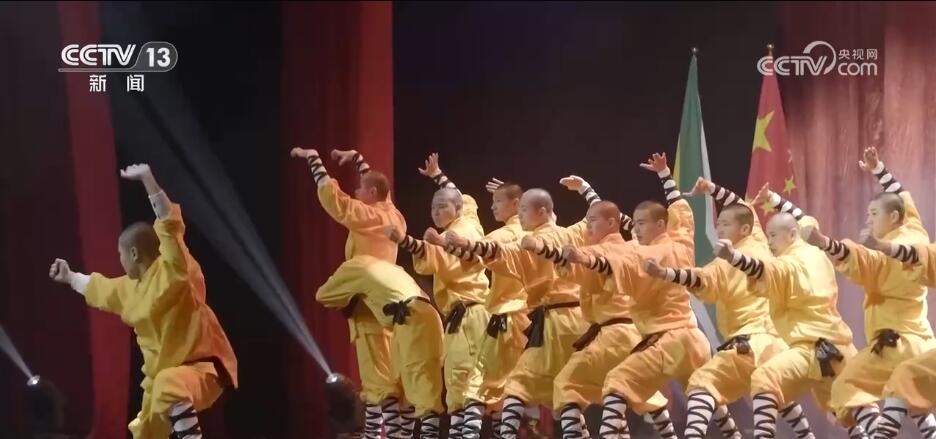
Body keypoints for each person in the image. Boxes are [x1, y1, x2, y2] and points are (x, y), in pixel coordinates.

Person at [49, 164, 237, 439]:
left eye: (121, 254)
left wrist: (148, 180)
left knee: (168, 384)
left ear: (134, 254)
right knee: (146, 430)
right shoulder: (130, 289)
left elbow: (170, 227)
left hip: (202, 368)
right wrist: (70, 277)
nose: (120, 260)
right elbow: (102, 289)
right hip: (161, 382)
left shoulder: (174, 271)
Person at [643, 177, 813, 439]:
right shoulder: (759, 240)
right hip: (775, 345)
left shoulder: (724, 264)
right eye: (718, 223)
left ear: (743, 229)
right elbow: (741, 206)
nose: (719, 228)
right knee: (774, 393)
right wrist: (712, 189)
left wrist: (665, 272)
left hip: (748, 346)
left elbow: (698, 278)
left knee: (701, 384)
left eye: (725, 224)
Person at [560, 153, 711, 439]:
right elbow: (677, 211)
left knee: (616, 383)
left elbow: (614, 258)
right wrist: (665, 174)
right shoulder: (682, 240)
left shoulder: (645, 253)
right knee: (705, 395)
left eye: (641, 224)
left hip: (666, 338)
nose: (636, 228)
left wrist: (583, 258)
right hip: (692, 338)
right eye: (636, 224)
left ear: (660, 225)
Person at [800, 147, 936, 437]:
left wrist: (823, 241)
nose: (868, 220)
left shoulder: (890, 251)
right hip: (922, 342)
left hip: (897, 345)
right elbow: (900, 195)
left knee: (847, 385)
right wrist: (878, 169)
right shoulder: (913, 225)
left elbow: (859, 256)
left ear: (894, 217)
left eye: (874, 214)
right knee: (908, 390)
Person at [445, 185, 589, 439]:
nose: (520, 214)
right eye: (519, 208)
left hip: (544, 322)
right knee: (563, 390)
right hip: (576, 323)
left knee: (513, 386)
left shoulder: (526, 241)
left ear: (541, 211)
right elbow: (597, 214)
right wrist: (586, 189)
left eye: (523, 209)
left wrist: (462, 244)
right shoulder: (570, 233)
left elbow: (494, 251)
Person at [716, 184, 857, 439]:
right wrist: (773, 198)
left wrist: (733, 256)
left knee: (764, 378)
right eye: (768, 235)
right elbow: (801, 217)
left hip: (810, 350)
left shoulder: (787, 264)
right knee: (851, 410)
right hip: (841, 348)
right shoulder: (813, 249)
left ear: (791, 235)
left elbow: (760, 269)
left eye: (772, 236)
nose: (769, 241)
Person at [387, 153, 490, 439]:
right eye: (433, 207)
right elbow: (456, 196)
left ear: (457, 209)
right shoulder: (468, 216)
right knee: (456, 386)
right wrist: (438, 176)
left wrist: (404, 240)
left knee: (468, 383)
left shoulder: (462, 231)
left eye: (442, 206)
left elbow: (438, 254)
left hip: (471, 314)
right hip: (458, 318)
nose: (435, 211)